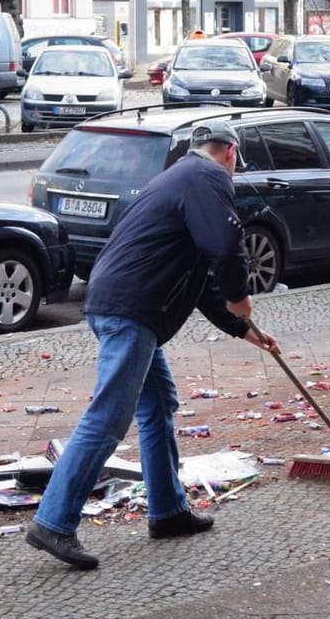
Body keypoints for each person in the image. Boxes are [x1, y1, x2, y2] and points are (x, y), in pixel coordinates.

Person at [25, 121, 279, 571]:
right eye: (235, 160)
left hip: (122, 304)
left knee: (158, 403)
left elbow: (199, 277)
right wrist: (241, 296)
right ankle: (53, 522)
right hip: (131, 310)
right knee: (109, 417)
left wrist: (243, 329)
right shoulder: (208, 177)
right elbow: (226, 245)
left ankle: (167, 510)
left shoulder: (177, 179)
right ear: (229, 153)